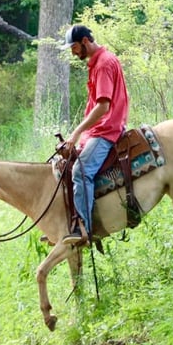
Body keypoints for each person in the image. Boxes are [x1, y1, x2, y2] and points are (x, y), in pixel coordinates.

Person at [60, 24, 130, 246]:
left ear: (85, 42)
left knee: (81, 172)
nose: (73, 52)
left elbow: (103, 107)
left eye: (73, 47)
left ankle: (84, 229)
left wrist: (76, 132)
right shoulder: (99, 62)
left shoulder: (103, 64)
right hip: (97, 130)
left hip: (107, 130)